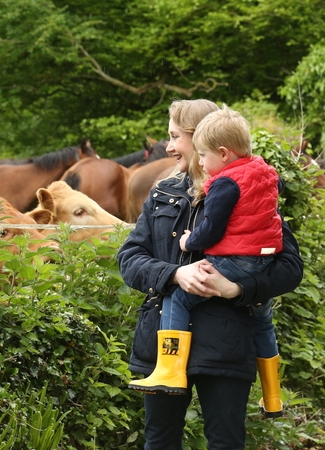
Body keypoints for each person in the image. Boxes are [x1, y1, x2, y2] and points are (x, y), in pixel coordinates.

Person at [117, 99, 303, 449]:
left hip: (226, 342)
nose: (168, 146)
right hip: (164, 342)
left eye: (175, 137)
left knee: (225, 441)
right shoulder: (162, 194)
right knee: (159, 440)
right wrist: (175, 275)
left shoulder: (249, 192)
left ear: (202, 137)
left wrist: (237, 288)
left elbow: (290, 268)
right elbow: (129, 257)